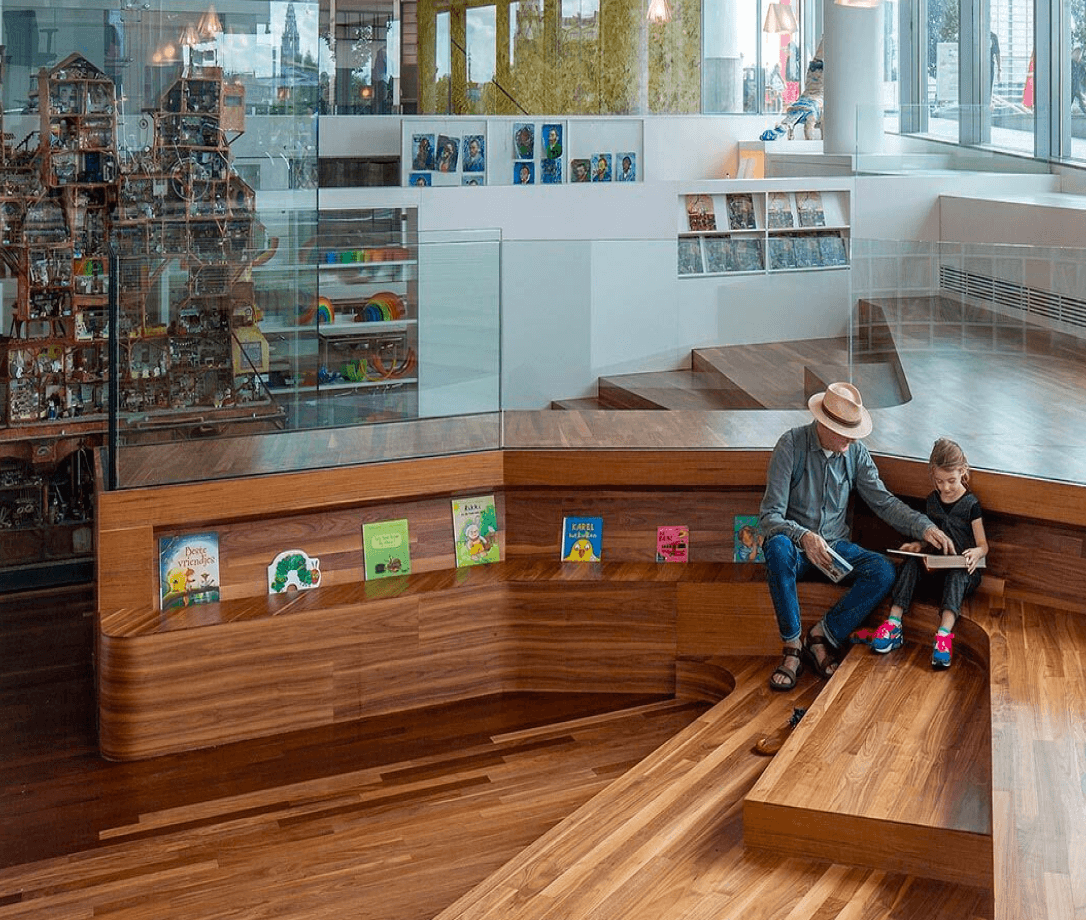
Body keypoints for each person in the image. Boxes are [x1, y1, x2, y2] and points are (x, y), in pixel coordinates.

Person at [758, 382, 955, 691]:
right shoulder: (791, 445)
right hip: (795, 551)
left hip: (836, 550)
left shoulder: (855, 453)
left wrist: (924, 526)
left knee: (882, 571)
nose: (852, 438)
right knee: (777, 547)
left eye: (854, 430)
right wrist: (804, 537)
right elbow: (769, 517)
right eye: (844, 431)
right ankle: (792, 647)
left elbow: (884, 502)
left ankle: (822, 635)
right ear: (824, 425)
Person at [871, 438, 988, 669]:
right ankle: (894, 624)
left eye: (951, 481)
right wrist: (917, 546)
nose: (945, 487)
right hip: (934, 568)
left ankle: (944, 637)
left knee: (957, 574)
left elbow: (983, 544)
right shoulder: (932, 501)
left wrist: (976, 552)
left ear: (963, 471)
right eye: (939, 481)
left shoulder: (971, 504)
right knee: (910, 564)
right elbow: (930, 538)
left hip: (962, 572)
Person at [1072, 47, 1086, 114]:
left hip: (1079, 87)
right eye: (1076, 54)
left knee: (1083, 103)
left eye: (1079, 55)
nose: (1078, 56)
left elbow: (1084, 76)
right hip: (1071, 87)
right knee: (1068, 102)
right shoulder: (1069, 64)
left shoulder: (1081, 65)